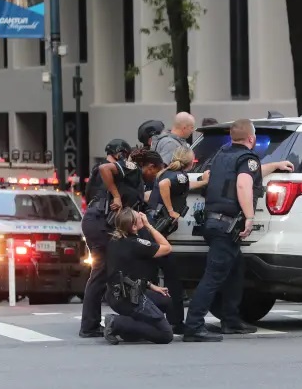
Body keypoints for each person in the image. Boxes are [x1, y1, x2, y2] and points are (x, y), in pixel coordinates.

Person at [180, 119, 294, 342]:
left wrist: (275, 165)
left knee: (235, 268)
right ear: (251, 138)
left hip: (213, 223)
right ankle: (193, 325)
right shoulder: (247, 158)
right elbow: (243, 183)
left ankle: (231, 320)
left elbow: (247, 173)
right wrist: (249, 217)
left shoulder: (222, 155)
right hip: (226, 224)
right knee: (213, 277)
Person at [78, 148, 164, 338]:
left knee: (107, 270)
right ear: (150, 166)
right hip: (100, 222)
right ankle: (89, 326)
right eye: (156, 172)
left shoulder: (138, 181)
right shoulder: (133, 168)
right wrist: (116, 195)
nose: (155, 176)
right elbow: (105, 168)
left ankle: (96, 323)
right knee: (101, 272)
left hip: (102, 222)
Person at [140, 147, 210, 333]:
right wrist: (171, 211)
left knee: (151, 274)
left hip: (151, 228)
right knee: (172, 277)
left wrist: (203, 182)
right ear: (190, 162)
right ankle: (176, 321)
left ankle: (151, 318)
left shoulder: (168, 173)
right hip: (157, 230)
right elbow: (166, 185)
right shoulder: (179, 176)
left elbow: (180, 185)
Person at [102, 208, 175, 345]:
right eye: (139, 217)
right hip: (130, 298)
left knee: (164, 300)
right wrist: (149, 225)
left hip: (116, 295)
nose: (143, 216)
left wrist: (151, 286)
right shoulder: (136, 244)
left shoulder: (114, 240)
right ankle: (116, 322)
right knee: (166, 335)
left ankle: (129, 331)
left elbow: (128, 273)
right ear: (134, 226)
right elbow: (167, 248)